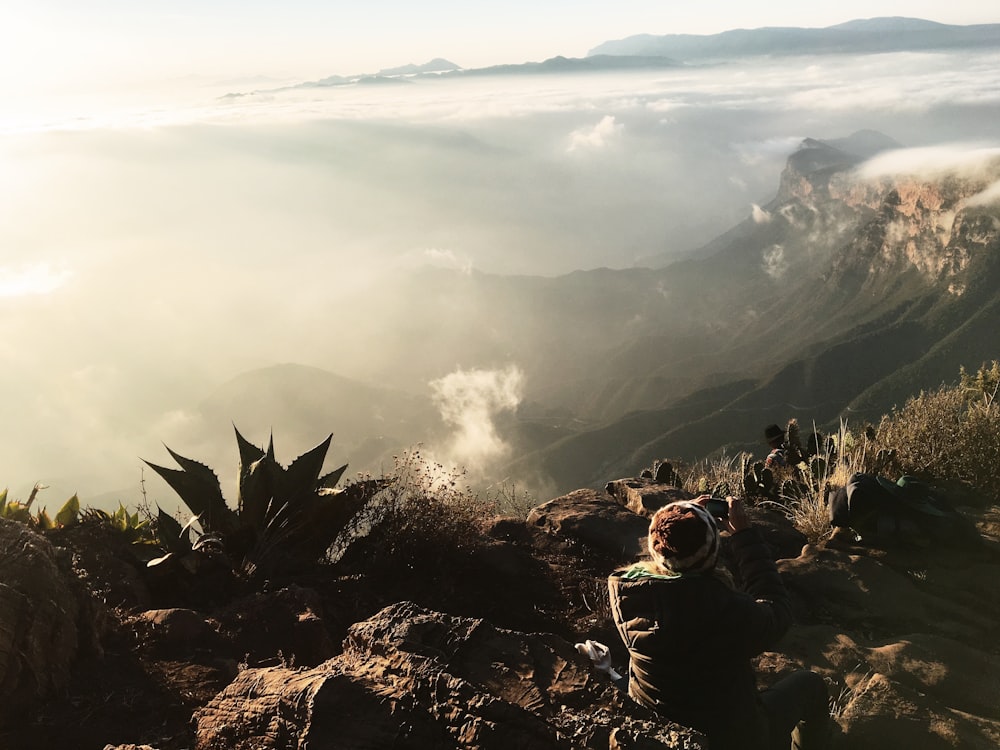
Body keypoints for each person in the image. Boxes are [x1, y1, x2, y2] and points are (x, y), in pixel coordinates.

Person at [607, 496, 830, 750]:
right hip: (731, 737)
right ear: (712, 556)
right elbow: (776, 612)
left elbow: (665, 560)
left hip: (664, 727)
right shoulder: (726, 610)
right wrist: (744, 536)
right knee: (811, 686)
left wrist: (680, 517)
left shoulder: (625, 592)